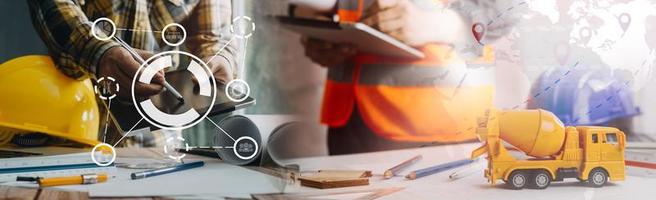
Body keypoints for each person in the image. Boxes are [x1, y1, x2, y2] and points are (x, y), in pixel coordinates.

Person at [295, 0, 519, 155]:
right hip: (350, 118)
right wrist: (317, 27)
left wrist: (438, 23)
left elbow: (507, 9)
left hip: (438, 123)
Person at [23, 0, 238, 146]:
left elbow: (213, 36)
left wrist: (220, 57)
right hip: (72, 133)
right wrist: (102, 54)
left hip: (157, 144)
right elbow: (54, 7)